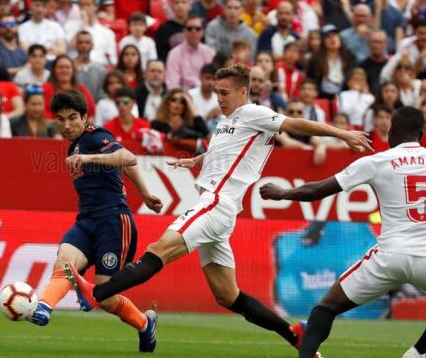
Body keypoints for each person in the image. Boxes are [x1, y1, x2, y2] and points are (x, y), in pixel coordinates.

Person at [64, 64, 372, 357]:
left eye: (224, 92)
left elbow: (296, 124)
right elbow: (227, 151)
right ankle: (294, 334)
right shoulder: (227, 121)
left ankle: (98, 293)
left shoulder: (253, 113)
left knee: (160, 248)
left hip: (215, 203)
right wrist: (197, 161)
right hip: (219, 212)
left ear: (242, 92)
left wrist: (342, 134)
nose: (219, 98)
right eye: (216, 92)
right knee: (228, 295)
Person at [258, 106, 426, 358]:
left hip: (389, 256)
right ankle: (414, 355)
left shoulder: (376, 161)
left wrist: (283, 193)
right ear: (421, 133)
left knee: (325, 308)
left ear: (391, 131)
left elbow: (317, 190)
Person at [27, 90, 163, 354]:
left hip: (113, 221)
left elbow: (128, 157)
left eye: (73, 118)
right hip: (86, 221)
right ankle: (43, 307)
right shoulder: (75, 145)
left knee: (105, 295)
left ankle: (145, 324)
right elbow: (125, 164)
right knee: (64, 261)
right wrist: (145, 194)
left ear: (85, 117)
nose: (66, 125)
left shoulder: (95, 137)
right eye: (61, 119)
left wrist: (88, 158)